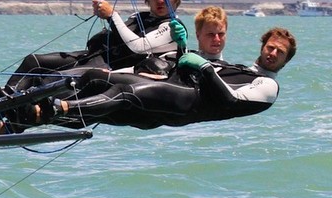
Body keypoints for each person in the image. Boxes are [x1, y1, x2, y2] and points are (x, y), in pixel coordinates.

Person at [34, 26, 297, 130]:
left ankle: (59, 108)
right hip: (174, 88)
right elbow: (196, 66)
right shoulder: (240, 67)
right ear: (263, 45)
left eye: (280, 52)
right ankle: (28, 114)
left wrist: (204, 68)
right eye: (270, 47)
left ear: (286, 60)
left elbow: (229, 101)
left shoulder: (268, 86)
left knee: (123, 95)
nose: (273, 53)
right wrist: (184, 51)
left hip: (189, 103)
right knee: (95, 78)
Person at [5, 0, 187, 92]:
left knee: (54, 78)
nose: (161, 0)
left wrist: (112, 15)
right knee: (34, 62)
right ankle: (4, 97)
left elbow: (139, 46)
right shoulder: (138, 17)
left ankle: (17, 110)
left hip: (110, 70)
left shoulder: (173, 27)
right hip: (92, 58)